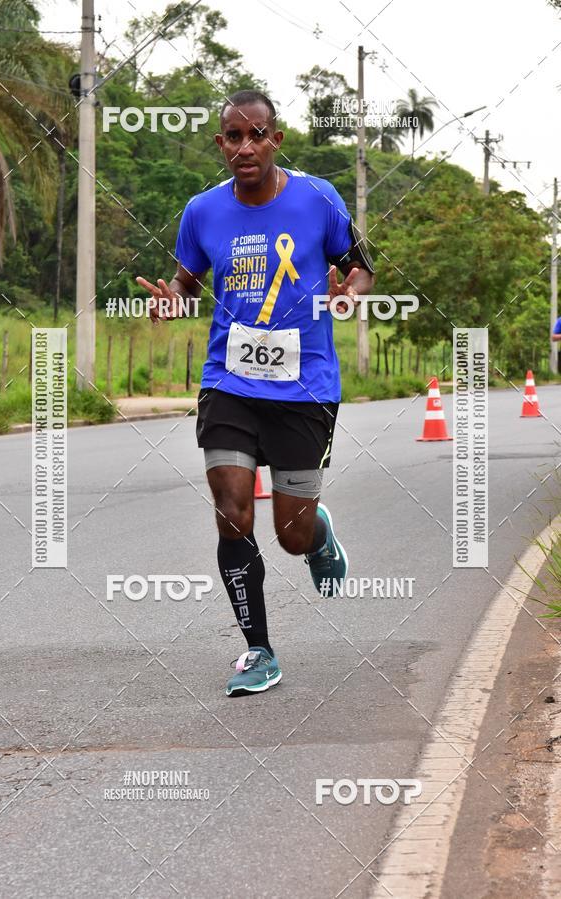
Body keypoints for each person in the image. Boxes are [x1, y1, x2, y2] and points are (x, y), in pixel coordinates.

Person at [137, 89, 375, 697]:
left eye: (256, 135)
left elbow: (362, 261)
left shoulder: (318, 197)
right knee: (231, 513)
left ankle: (317, 533)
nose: (245, 147)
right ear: (220, 144)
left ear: (276, 139)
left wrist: (351, 290)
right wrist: (174, 300)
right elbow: (188, 282)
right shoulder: (201, 211)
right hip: (229, 383)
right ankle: (258, 649)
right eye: (232, 138)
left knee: (289, 534)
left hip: (304, 386)